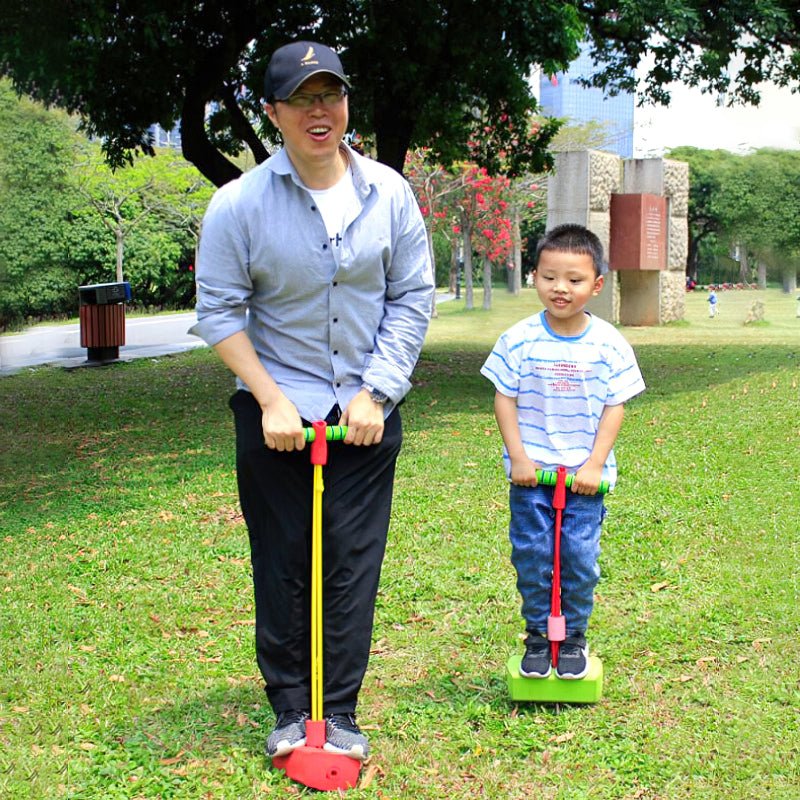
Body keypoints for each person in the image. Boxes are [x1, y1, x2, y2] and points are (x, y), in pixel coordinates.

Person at [190, 40, 433, 762]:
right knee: (284, 560)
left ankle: (343, 712)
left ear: (347, 103)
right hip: (275, 414)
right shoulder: (238, 205)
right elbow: (220, 313)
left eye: (330, 94)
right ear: (273, 113)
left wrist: (377, 391)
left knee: (353, 562)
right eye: (301, 98)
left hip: (365, 415)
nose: (319, 110)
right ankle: (293, 708)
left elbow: (411, 297)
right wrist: (269, 399)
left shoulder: (388, 192)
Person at [480, 224, 645, 680]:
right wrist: (518, 457)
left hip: (584, 480)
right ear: (534, 277)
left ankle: (573, 636)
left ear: (596, 285)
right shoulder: (518, 339)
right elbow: (504, 398)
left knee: (577, 559)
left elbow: (616, 406)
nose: (561, 288)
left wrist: (594, 464)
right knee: (532, 555)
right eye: (550, 277)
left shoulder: (609, 343)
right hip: (532, 475)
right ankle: (538, 633)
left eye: (574, 280)